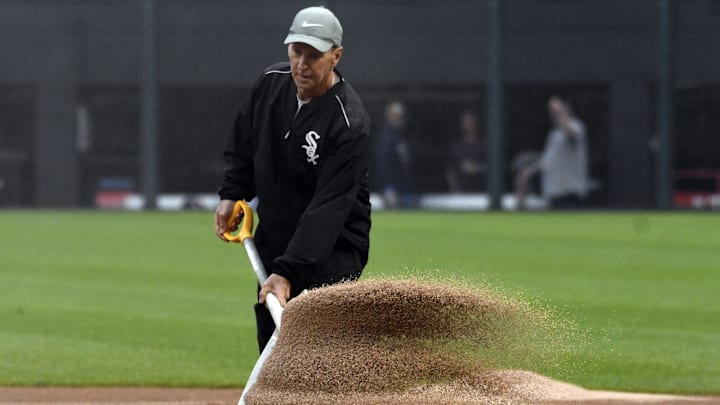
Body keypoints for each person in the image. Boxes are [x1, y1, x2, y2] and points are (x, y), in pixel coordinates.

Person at [213, 6, 371, 352]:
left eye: (313, 55)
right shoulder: (270, 84)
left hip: (333, 250)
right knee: (270, 347)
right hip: (277, 236)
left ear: (336, 56)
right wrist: (231, 194)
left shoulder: (348, 123)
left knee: (316, 354)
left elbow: (328, 210)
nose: (302, 64)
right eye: (296, 52)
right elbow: (243, 142)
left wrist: (288, 272)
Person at [516, 96, 589, 209]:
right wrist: (530, 171)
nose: (555, 115)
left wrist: (561, 112)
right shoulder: (554, 134)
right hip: (554, 192)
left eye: (558, 112)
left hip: (570, 192)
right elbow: (548, 160)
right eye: (553, 113)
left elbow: (571, 135)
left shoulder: (576, 126)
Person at [374, 101, 416, 208]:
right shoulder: (386, 138)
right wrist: (388, 188)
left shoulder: (402, 137)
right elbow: (382, 165)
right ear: (388, 116)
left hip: (406, 188)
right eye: (396, 116)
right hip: (394, 191)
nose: (399, 119)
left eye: (401, 116)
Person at [445, 110, 486, 193]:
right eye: (465, 121)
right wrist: (455, 191)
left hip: (482, 192)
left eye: (470, 121)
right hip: (462, 192)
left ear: (476, 122)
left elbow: (494, 168)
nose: (468, 124)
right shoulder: (456, 146)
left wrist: (477, 168)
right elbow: (450, 171)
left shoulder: (485, 145)